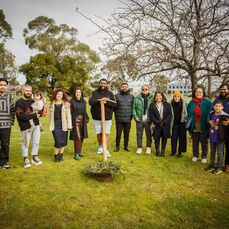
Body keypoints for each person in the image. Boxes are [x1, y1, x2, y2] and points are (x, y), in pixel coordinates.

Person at [15, 85, 42, 168]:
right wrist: (34, 115)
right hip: (25, 126)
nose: (28, 92)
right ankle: (25, 159)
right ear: (22, 91)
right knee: (25, 143)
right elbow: (20, 116)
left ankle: (34, 157)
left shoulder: (33, 101)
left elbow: (40, 112)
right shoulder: (19, 102)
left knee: (36, 142)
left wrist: (39, 113)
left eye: (30, 91)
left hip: (36, 125)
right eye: (26, 90)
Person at [89, 78, 116, 157]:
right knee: (99, 133)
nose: (103, 85)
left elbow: (114, 105)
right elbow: (90, 102)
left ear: (107, 84)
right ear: (99, 84)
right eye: (101, 83)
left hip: (107, 117)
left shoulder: (110, 94)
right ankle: (100, 146)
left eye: (104, 83)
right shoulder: (94, 93)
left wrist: (107, 102)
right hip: (96, 117)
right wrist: (99, 100)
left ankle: (105, 149)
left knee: (106, 133)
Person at [187, 86, 212, 163]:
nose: (198, 93)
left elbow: (211, 112)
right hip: (194, 125)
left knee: (204, 142)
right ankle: (195, 156)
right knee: (195, 142)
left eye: (200, 92)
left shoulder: (207, 101)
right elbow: (188, 113)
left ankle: (204, 156)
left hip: (204, 125)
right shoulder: (191, 102)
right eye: (197, 92)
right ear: (194, 93)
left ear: (203, 93)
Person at [49, 89, 72, 162]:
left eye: (61, 95)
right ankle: (56, 156)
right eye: (58, 94)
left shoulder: (66, 104)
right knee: (57, 141)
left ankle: (61, 155)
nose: (59, 96)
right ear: (55, 95)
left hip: (64, 124)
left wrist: (69, 126)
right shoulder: (51, 104)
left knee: (63, 141)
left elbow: (68, 116)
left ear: (63, 96)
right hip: (55, 124)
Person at [206, 101, 229, 174]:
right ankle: (212, 165)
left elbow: (227, 125)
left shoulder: (225, 116)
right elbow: (208, 119)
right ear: (214, 107)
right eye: (216, 106)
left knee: (220, 153)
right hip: (212, 136)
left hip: (220, 137)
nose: (217, 107)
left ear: (222, 107)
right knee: (212, 151)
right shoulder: (211, 114)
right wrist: (209, 121)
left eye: (219, 106)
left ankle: (219, 167)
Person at [211, 83, 229, 172]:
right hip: (215, 132)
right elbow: (210, 113)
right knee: (215, 150)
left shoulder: (228, 102)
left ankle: (224, 165)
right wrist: (210, 121)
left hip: (225, 130)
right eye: (221, 89)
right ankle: (214, 165)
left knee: (223, 150)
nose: (223, 91)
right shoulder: (216, 100)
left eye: (225, 89)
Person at [149, 91, 172, 156]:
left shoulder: (167, 104)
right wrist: (157, 122)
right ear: (155, 97)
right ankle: (157, 150)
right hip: (157, 124)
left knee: (164, 137)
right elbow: (151, 115)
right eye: (157, 96)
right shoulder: (152, 105)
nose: (158, 97)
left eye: (160, 96)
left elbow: (169, 114)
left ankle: (163, 151)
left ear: (162, 97)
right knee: (157, 137)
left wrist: (165, 121)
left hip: (165, 124)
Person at [132, 85, 153, 154]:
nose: (144, 90)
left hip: (148, 119)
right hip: (139, 119)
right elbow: (134, 108)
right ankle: (139, 148)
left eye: (146, 89)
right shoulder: (137, 98)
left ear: (148, 90)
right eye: (143, 89)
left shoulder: (152, 98)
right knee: (139, 134)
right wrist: (135, 116)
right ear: (141, 90)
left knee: (149, 134)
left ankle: (148, 147)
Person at [70, 89, 89, 160]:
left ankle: (79, 151)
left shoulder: (83, 101)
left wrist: (86, 118)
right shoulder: (71, 101)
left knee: (82, 137)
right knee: (77, 137)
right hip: (75, 121)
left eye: (79, 92)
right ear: (74, 93)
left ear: (81, 94)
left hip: (83, 120)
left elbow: (85, 111)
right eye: (77, 92)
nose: (78, 93)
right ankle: (76, 154)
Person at [0, 78, 15, 169]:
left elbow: (13, 110)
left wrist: (11, 122)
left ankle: (3, 162)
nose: (3, 86)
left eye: (5, 85)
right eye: (1, 85)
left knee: (5, 145)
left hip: (6, 125)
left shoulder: (10, 96)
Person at [114, 82, 134, 152]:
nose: (125, 88)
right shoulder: (116, 96)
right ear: (121, 88)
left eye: (126, 87)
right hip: (119, 119)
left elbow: (133, 107)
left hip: (128, 119)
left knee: (126, 134)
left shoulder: (131, 97)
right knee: (118, 133)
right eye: (123, 87)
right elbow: (114, 107)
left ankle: (126, 146)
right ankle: (117, 146)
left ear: (128, 88)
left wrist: (131, 116)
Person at [170, 91, 187, 157]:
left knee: (181, 139)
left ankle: (180, 152)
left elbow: (186, 113)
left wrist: (185, 119)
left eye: (178, 97)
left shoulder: (184, 103)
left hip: (182, 123)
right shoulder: (170, 103)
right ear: (173, 97)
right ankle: (173, 152)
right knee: (173, 138)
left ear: (180, 97)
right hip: (174, 124)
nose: (176, 98)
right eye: (175, 96)